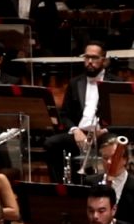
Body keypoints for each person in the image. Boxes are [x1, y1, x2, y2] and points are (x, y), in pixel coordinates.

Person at [46, 39, 109, 183]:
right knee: (51, 143)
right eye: (87, 57)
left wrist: (103, 130)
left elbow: (121, 116)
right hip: (80, 134)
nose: (89, 62)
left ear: (104, 60)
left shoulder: (115, 82)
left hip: (103, 134)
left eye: (94, 58)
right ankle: (60, 186)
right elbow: (64, 114)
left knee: (113, 144)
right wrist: (75, 130)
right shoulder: (75, 82)